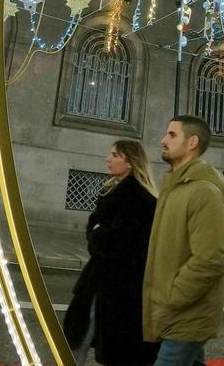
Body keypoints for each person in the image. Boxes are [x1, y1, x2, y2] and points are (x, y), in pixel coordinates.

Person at [64, 140, 160, 366]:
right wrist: (97, 234)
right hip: (101, 276)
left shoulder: (139, 198)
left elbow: (116, 241)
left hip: (119, 282)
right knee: (85, 330)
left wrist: (98, 235)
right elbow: (95, 228)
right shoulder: (112, 189)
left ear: (130, 163)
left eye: (115, 155)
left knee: (91, 330)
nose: (108, 159)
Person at [142, 116, 224, 366]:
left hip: (187, 315)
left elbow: (210, 258)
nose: (163, 140)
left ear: (192, 142)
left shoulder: (203, 191)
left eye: (171, 135)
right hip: (177, 312)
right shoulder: (175, 186)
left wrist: (173, 296)